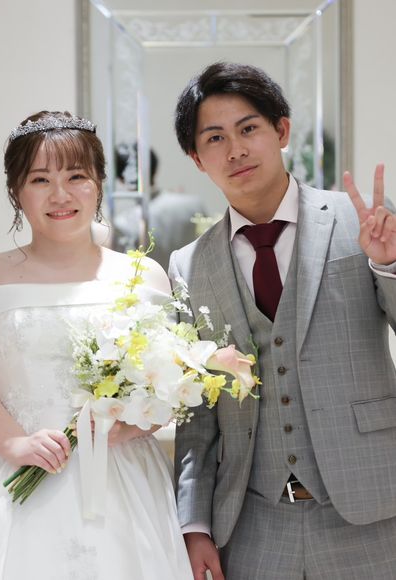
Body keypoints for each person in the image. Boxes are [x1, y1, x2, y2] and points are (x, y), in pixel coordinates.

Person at [0, 111, 194, 579]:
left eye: (76, 177)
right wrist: (16, 442)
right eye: (40, 180)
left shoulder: (143, 275)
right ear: (16, 190)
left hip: (121, 476)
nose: (60, 195)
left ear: (99, 183)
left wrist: (134, 424)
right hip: (10, 472)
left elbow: (166, 383)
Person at [169, 60, 396, 580]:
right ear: (197, 158)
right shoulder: (189, 266)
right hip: (252, 526)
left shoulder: (359, 222)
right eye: (215, 138)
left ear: (282, 131)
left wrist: (389, 266)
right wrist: (194, 524)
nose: (236, 149)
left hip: (374, 509)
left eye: (248, 128)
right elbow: (196, 416)